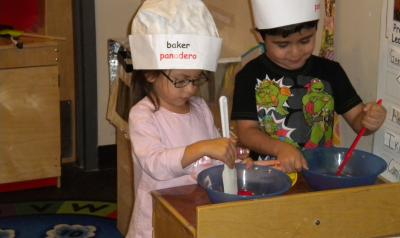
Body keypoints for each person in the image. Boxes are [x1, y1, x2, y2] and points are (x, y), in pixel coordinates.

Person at [126, 0, 248, 237]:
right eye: (181, 80)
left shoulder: (200, 108)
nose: (191, 89)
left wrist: (236, 160)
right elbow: (156, 165)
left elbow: (215, 156)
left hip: (197, 208)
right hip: (157, 217)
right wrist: (203, 147)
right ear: (151, 73)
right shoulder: (143, 115)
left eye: (196, 80)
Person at [231, 0, 387, 173]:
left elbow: (358, 121)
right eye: (283, 45)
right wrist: (279, 149)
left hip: (321, 174)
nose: (295, 52)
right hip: (268, 178)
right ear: (260, 37)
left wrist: (370, 120)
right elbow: (246, 133)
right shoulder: (249, 76)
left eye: (305, 41)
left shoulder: (331, 71)